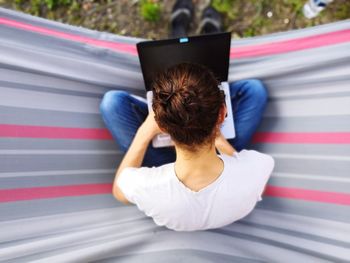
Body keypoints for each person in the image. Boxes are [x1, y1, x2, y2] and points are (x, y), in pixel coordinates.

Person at [99, 1, 274, 231]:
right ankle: (209, 31)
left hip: (165, 166)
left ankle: (178, 27)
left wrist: (145, 132)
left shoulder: (148, 186)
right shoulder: (258, 168)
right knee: (256, 91)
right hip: (219, 157)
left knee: (111, 103)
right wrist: (221, 143)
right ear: (222, 113)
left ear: (161, 124)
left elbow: (119, 192)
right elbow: (255, 184)